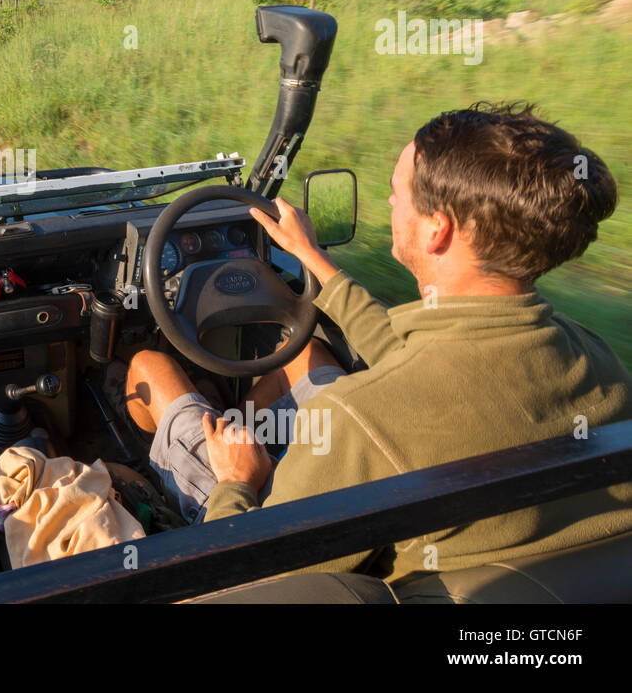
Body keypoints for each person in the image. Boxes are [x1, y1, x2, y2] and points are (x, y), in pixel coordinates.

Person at [124, 102, 632, 582]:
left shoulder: (363, 420)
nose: (390, 200)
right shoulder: (596, 356)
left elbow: (238, 574)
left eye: (397, 191)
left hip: (270, 538)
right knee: (306, 353)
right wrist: (315, 260)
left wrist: (238, 481)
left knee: (150, 367)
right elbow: (418, 361)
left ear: (438, 230)